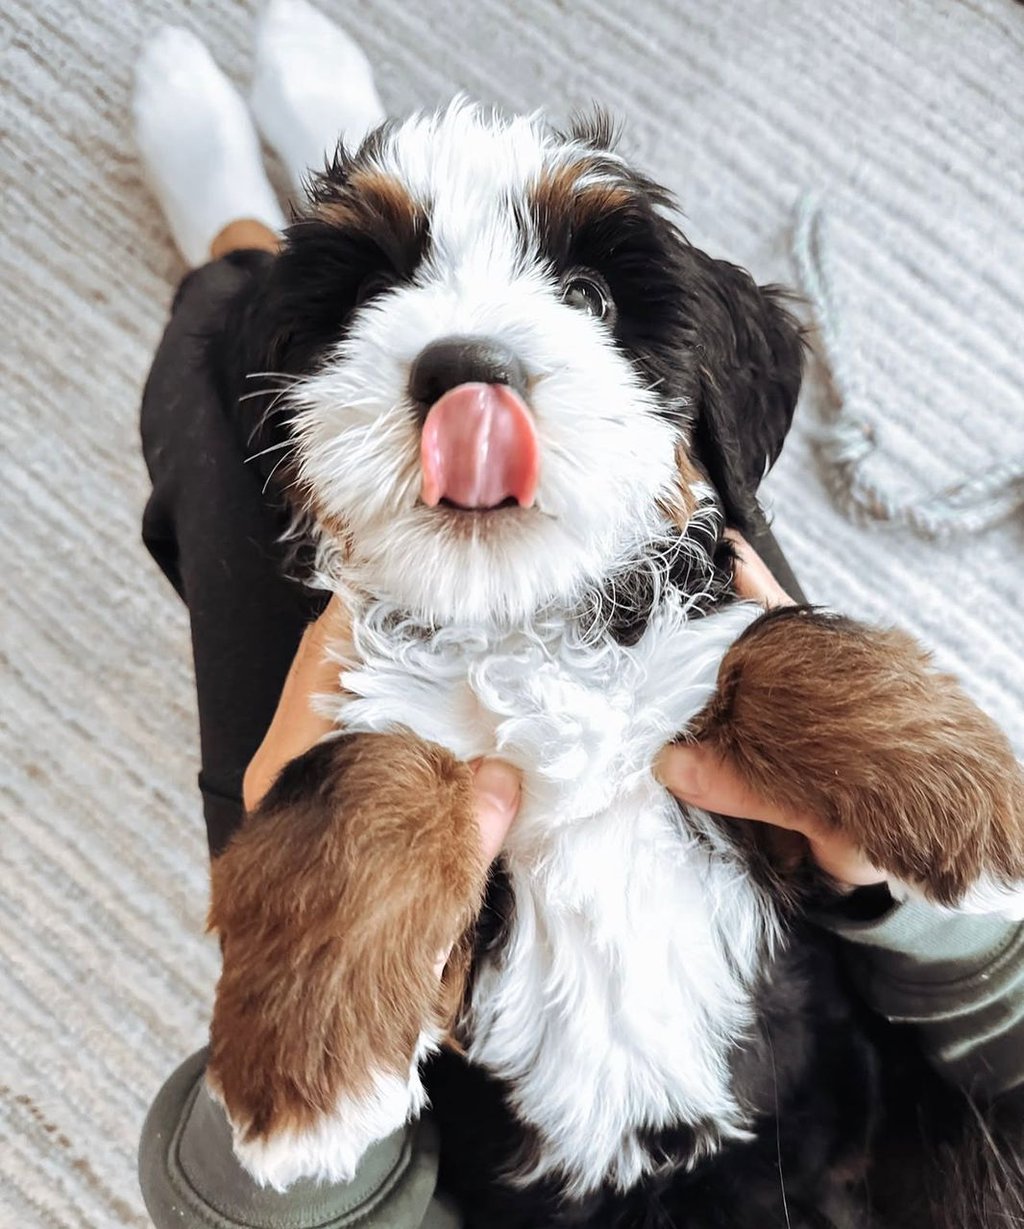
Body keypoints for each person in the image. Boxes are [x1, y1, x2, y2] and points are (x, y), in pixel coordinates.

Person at [132, 5, 1024, 1226]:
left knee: (225, 428)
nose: (473, 370)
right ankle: (390, 201)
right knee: (774, 649)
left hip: (453, 1090)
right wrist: (917, 890)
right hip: (799, 914)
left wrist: (332, 958)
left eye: (588, 292)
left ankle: (242, 247)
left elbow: (254, 1192)